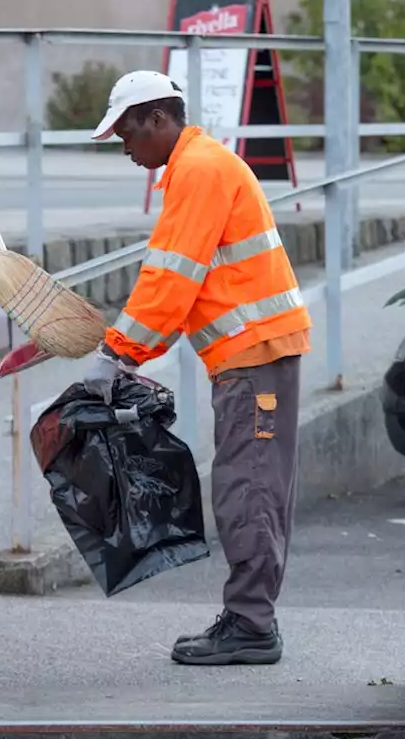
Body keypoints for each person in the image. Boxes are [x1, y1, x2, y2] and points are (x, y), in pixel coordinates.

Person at [84, 71, 312, 666]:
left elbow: (170, 278)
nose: (125, 147)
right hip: (252, 355)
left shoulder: (199, 171)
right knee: (250, 484)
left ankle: (252, 625)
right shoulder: (200, 166)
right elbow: (177, 281)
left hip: (252, 357)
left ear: (158, 118)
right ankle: (249, 618)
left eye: (127, 132)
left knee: (249, 488)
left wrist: (117, 355)